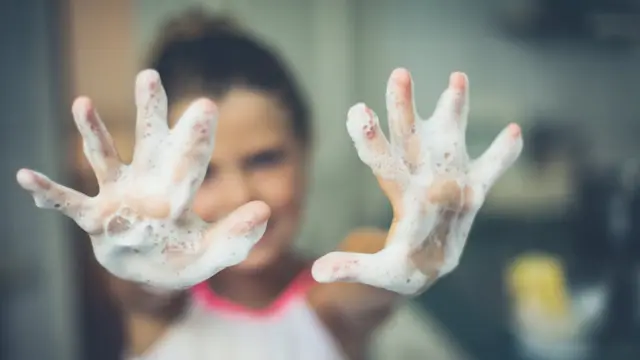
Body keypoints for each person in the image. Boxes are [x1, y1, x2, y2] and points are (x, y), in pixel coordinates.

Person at [15, 10, 523, 360]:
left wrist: (408, 253)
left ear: (306, 149)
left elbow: (367, 269)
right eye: (206, 172)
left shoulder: (331, 301)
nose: (240, 197)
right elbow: (140, 290)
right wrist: (135, 259)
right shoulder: (162, 302)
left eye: (265, 159)